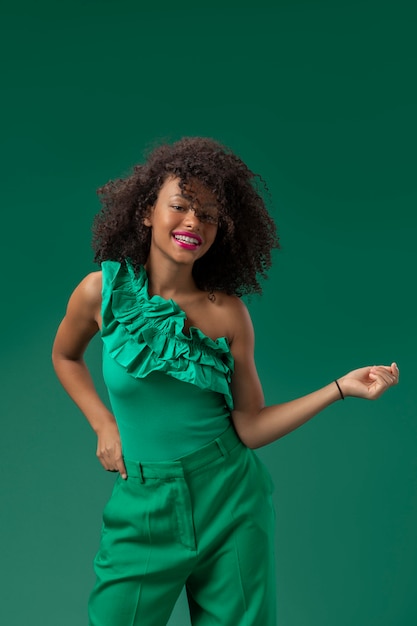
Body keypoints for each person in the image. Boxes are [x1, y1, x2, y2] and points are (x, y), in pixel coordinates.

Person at [52, 137, 399, 626]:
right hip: (144, 503)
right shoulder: (101, 293)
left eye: (210, 215)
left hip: (231, 498)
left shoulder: (228, 315)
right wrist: (102, 423)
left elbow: (251, 427)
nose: (194, 221)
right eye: (181, 206)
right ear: (147, 212)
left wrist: (340, 387)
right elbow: (66, 356)